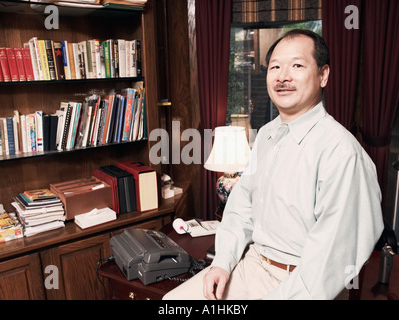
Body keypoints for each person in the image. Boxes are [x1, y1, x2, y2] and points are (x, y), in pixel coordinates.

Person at [163, 29, 384, 300]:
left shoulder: (342, 153)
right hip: (253, 266)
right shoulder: (266, 136)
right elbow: (241, 208)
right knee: (173, 302)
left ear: (323, 75)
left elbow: (329, 263)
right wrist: (222, 262)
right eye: (276, 67)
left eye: (297, 66)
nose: (283, 77)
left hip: (304, 283)